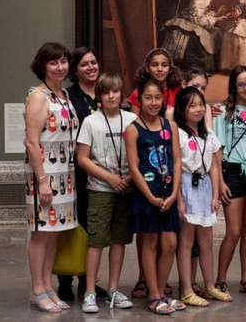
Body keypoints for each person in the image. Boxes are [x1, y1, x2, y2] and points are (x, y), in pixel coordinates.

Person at [24, 42, 79, 313]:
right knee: (40, 233)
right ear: (43, 66)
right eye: (53, 62)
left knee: (54, 233)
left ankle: (48, 286)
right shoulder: (38, 96)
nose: (60, 67)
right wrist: (43, 179)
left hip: (64, 177)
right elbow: (32, 142)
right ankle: (37, 289)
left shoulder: (64, 95)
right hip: (44, 176)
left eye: (63, 61)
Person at [125, 78, 185, 315]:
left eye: (157, 98)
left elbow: (177, 159)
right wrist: (149, 196)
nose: (153, 102)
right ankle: (153, 294)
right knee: (149, 243)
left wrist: (174, 193)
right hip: (146, 196)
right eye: (148, 98)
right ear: (139, 100)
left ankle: (161, 291)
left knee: (170, 243)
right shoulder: (133, 129)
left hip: (168, 194)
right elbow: (133, 167)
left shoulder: (169, 126)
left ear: (163, 100)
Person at [76, 73, 135, 313]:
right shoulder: (91, 122)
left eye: (115, 91)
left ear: (122, 94)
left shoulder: (131, 119)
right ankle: (90, 291)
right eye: (106, 92)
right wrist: (110, 178)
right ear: (99, 96)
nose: (111, 96)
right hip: (100, 189)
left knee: (119, 239)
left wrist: (129, 177)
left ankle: (113, 288)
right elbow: (82, 158)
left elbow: (138, 157)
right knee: (97, 240)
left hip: (126, 188)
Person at [173, 87, 231, 306]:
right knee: (186, 242)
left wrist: (215, 194)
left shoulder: (208, 133)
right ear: (182, 109)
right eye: (192, 105)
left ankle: (209, 285)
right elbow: (177, 168)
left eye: (200, 105)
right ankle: (186, 288)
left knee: (206, 241)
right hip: (187, 185)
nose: (197, 110)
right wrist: (179, 198)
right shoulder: (178, 133)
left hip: (206, 187)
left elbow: (215, 167)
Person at [212, 66, 246, 297]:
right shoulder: (223, 112)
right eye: (242, 84)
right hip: (232, 171)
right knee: (233, 231)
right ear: (234, 87)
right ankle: (221, 279)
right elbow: (217, 149)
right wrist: (221, 182)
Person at [60, 47, 102, 301]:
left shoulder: (105, 93)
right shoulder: (69, 97)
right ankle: (65, 280)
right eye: (85, 64)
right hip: (74, 172)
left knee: (94, 228)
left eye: (94, 63)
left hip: (101, 171)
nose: (91, 68)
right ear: (75, 70)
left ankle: (89, 282)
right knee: (72, 226)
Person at [161, 0, 226, 74]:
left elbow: (202, 12)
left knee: (217, 33)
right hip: (188, 24)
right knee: (211, 35)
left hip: (197, 21)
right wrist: (215, 19)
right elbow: (196, 18)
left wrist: (214, 15)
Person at [128, 48, 182, 116]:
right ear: (147, 68)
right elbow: (134, 122)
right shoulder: (138, 93)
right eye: (154, 65)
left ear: (170, 69)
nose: (160, 69)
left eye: (164, 65)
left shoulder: (177, 91)